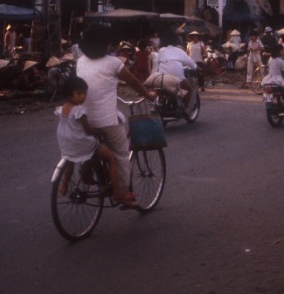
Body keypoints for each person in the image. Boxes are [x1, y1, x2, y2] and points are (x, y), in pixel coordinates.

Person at [75, 25, 156, 209]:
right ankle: (122, 193)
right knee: (120, 153)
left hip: (84, 119)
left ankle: (89, 172)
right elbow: (134, 81)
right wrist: (148, 94)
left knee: (94, 147)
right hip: (106, 121)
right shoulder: (113, 63)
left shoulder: (80, 62)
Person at [54, 76, 136, 208]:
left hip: (66, 143)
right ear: (70, 95)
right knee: (111, 158)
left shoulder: (62, 108)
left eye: (84, 93)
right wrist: (98, 132)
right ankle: (117, 192)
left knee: (70, 160)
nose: (83, 96)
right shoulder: (80, 110)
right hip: (82, 142)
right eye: (79, 93)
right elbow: (87, 129)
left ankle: (63, 186)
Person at [146, 29, 198, 114]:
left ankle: (156, 103)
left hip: (162, 77)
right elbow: (189, 62)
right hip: (177, 78)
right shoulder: (179, 51)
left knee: (158, 89)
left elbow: (158, 63)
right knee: (190, 90)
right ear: (177, 41)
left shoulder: (161, 50)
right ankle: (186, 109)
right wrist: (196, 67)